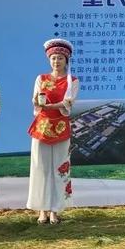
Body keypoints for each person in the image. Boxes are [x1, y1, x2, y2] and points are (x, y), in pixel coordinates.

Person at [27, 38, 78, 224]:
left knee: (60, 168)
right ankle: (42, 210)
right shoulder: (41, 79)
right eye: (53, 58)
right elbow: (35, 100)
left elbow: (67, 104)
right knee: (40, 168)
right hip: (42, 128)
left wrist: (49, 106)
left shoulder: (72, 81)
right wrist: (37, 102)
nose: (56, 61)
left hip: (61, 129)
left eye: (60, 58)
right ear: (49, 59)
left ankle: (55, 210)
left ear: (66, 60)